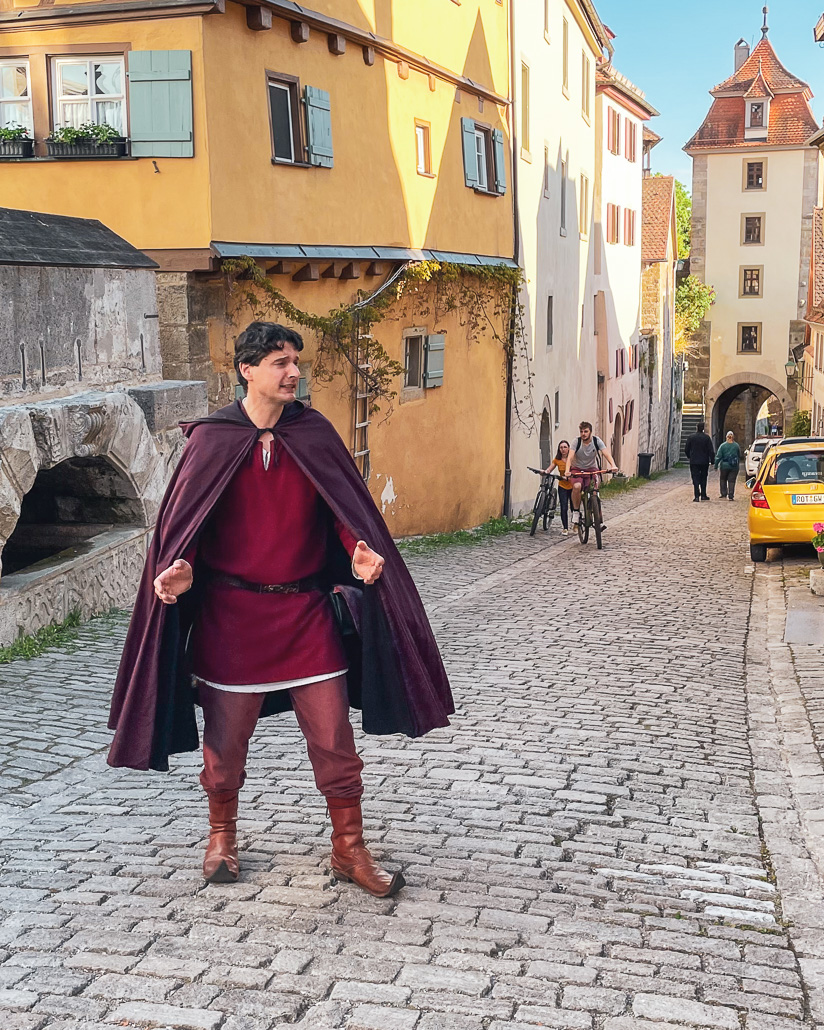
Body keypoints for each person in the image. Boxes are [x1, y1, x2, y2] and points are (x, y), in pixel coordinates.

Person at [108, 322, 454, 898]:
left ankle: (349, 848)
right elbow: (188, 521)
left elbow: (344, 509)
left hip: (305, 615)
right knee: (225, 745)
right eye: (279, 362)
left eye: (295, 360)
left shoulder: (312, 433)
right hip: (231, 620)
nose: (293, 371)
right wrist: (180, 567)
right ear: (247, 370)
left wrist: (358, 553)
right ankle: (222, 836)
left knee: (334, 742)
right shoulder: (211, 441)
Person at [565, 422, 617, 527]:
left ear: (590, 432)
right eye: (581, 431)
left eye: (586, 431)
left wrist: (613, 465)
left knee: (595, 489)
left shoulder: (597, 441)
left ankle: (598, 518)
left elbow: (606, 453)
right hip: (577, 469)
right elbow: (570, 457)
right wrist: (567, 470)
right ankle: (576, 512)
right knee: (577, 486)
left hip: (592, 469)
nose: (583, 434)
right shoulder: (576, 442)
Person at [546, 441, 573, 536]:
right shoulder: (557, 460)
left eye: (565, 447)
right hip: (562, 485)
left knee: (574, 507)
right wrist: (546, 471)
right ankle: (565, 527)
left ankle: (576, 524)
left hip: (573, 485)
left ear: (569, 448)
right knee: (564, 507)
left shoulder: (573, 459)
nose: (563, 449)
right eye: (561, 447)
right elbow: (550, 468)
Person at [683, 421, 715, 502]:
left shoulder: (691, 437)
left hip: (694, 461)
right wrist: (712, 460)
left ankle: (696, 496)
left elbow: (686, 449)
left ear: (696, 427)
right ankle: (703, 495)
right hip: (704, 461)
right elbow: (710, 450)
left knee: (695, 478)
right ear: (703, 428)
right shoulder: (706, 438)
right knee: (704, 478)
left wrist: (689, 456)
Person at [715, 430, 742, 501]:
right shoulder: (736, 445)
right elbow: (739, 455)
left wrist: (716, 465)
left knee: (723, 479)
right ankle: (731, 495)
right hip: (734, 466)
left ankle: (723, 493)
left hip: (724, 465)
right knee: (732, 481)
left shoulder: (723, 446)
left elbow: (718, 456)